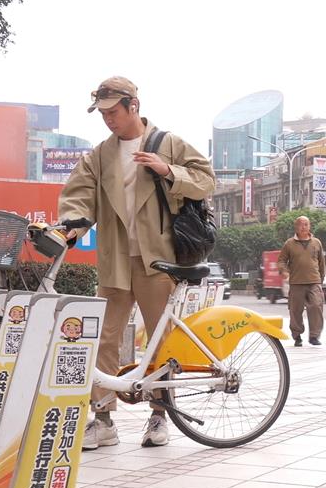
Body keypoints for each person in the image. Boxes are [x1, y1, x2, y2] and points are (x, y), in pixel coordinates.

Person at [58, 76, 215, 449]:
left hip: (158, 258)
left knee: (159, 338)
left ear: (134, 107)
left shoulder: (169, 144)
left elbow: (206, 180)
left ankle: (159, 416)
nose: (108, 119)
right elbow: (78, 196)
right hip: (115, 257)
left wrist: (167, 170)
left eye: (114, 112)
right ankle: (103, 419)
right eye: (103, 113)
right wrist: (71, 227)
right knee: (103, 338)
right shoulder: (100, 155)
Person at [277, 216, 326, 347]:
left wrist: (321, 278)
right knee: (295, 310)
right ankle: (297, 335)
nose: (303, 227)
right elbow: (281, 260)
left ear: (309, 226)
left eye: (306, 224)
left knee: (316, 306)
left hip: (314, 281)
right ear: (296, 227)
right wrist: (284, 270)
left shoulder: (317, 243)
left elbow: (321, 262)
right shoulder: (289, 244)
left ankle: (314, 336)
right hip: (296, 282)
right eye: (301, 224)